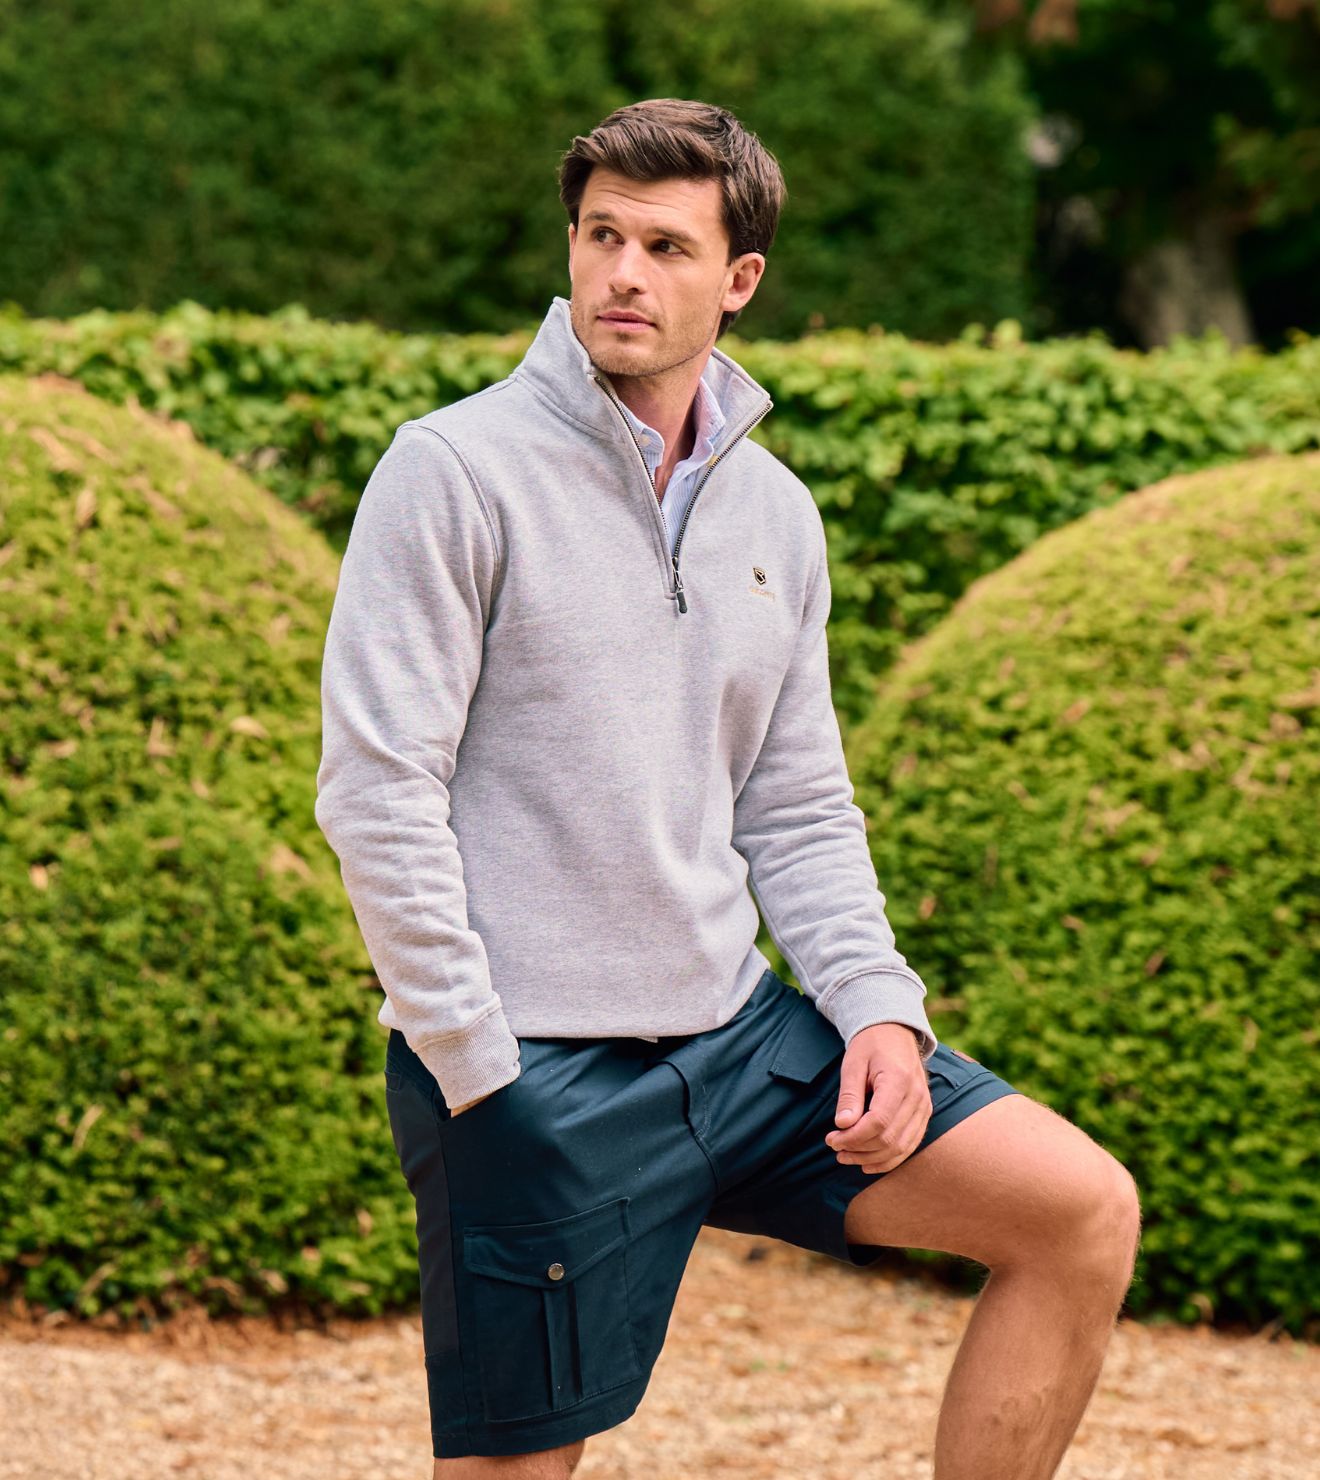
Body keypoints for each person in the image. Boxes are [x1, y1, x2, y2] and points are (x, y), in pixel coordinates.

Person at [314, 97, 1141, 1480]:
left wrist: (877, 1008)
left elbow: (796, 803)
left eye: (667, 247)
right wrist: (475, 1067)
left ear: (739, 278)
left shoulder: (775, 512)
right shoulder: (451, 472)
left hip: (740, 1043)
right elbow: (378, 790)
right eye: (602, 235)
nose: (624, 274)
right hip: (534, 1065)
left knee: (1077, 1211)